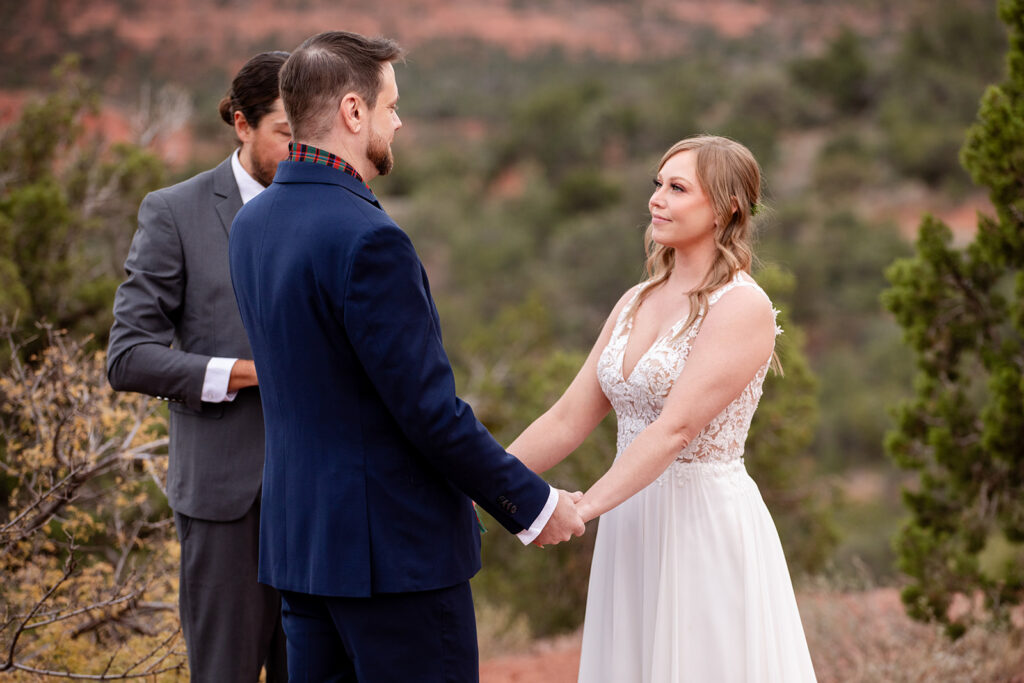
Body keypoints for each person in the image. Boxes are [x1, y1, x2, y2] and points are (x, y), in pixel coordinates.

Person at [227, 31, 585, 682]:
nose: (400, 120)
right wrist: (531, 506)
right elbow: (428, 412)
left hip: (301, 551)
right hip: (395, 562)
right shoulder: (369, 239)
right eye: (391, 105)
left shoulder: (253, 224)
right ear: (353, 112)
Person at [508, 135, 817, 681]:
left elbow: (675, 430)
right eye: (657, 184)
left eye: (677, 188)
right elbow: (567, 417)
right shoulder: (636, 299)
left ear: (727, 209)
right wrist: (489, 481)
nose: (656, 199)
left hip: (700, 527)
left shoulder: (743, 306)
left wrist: (581, 509)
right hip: (630, 523)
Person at [106, 51, 292, 683]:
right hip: (225, 500)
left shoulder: (341, 211)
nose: (301, 153)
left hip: (322, 501)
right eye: (285, 134)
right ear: (242, 123)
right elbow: (129, 356)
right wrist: (249, 371)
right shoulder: (174, 212)